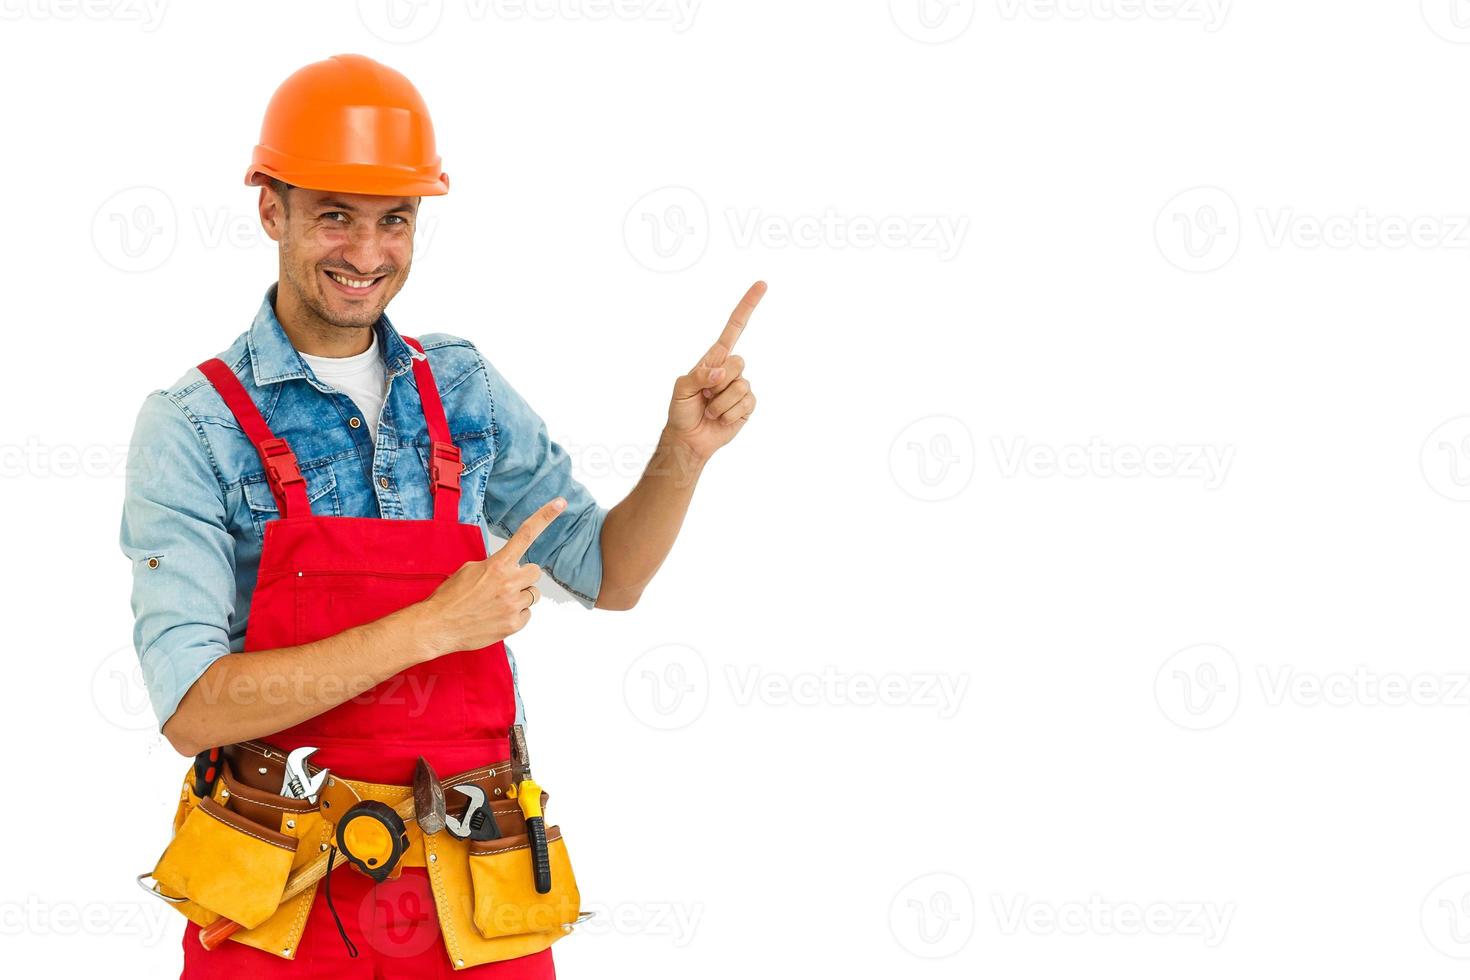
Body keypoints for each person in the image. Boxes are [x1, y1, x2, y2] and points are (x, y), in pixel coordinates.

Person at [119, 53, 762, 978]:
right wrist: (435, 626)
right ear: (272, 210)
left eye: (395, 220)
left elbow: (611, 574)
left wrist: (682, 454)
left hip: (474, 892)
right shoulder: (193, 426)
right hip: (276, 902)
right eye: (334, 214)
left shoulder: (459, 387)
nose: (367, 253)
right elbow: (193, 712)